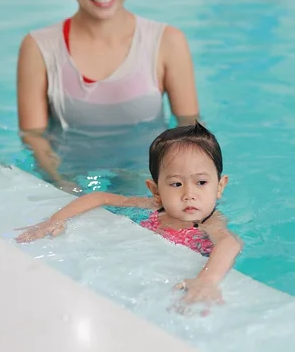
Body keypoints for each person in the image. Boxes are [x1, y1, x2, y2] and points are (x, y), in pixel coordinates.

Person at [16, 0, 201, 193]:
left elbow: (190, 127)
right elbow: (33, 136)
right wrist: (60, 182)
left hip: (146, 175)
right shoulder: (39, 46)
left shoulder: (167, 41)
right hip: (70, 175)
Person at [15, 122, 243, 306]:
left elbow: (229, 243)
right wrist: (56, 219)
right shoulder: (156, 206)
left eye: (201, 182)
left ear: (220, 187)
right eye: (176, 184)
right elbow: (101, 197)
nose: (189, 194)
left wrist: (207, 280)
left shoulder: (208, 222)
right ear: (156, 190)